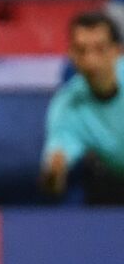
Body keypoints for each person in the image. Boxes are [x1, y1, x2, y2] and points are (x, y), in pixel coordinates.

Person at [41, 11, 124, 206]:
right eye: (81, 50)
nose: (90, 60)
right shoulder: (66, 106)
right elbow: (54, 177)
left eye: (99, 49)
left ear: (117, 52)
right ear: (71, 55)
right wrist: (54, 174)